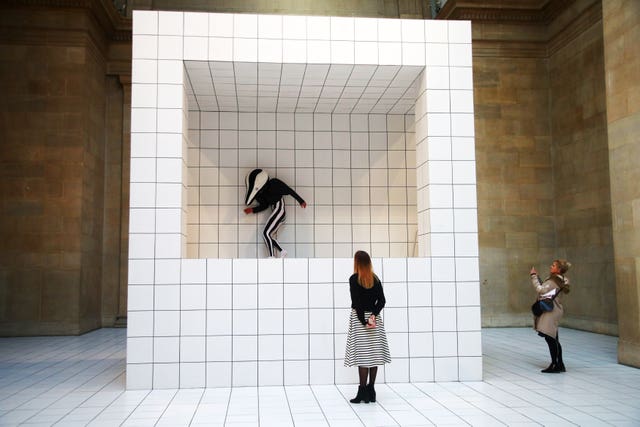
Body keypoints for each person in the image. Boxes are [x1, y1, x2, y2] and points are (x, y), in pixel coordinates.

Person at [344, 250, 391, 404]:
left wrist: (363, 321)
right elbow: (382, 301)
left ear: (357, 263)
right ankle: (371, 391)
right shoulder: (375, 279)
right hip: (374, 320)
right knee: (373, 355)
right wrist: (373, 316)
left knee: (363, 357)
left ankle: (362, 392)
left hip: (360, 321)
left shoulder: (353, 279)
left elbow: (357, 303)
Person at [243, 169, 306, 258]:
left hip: (279, 210)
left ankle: (272, 256)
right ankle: (282, 251)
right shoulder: (261, 194)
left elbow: (289, 190)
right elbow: (264, 206)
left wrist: (301, 201)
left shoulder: (274, 183)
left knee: (266, 234)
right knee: (267, 235)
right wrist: (252, 210)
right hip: (277, 211)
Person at [529, 259, 571, 373]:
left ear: (559, 269)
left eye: (553, 265)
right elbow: (548, 289)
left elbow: (541, 290)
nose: (551, 266)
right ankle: (560, 364)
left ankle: (555, 365)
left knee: (550, 338)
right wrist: (538, 278)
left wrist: (533, 276)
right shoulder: (561, 280)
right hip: (556, 310)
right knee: (554, 338)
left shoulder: (553, 280)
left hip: (551, 311)